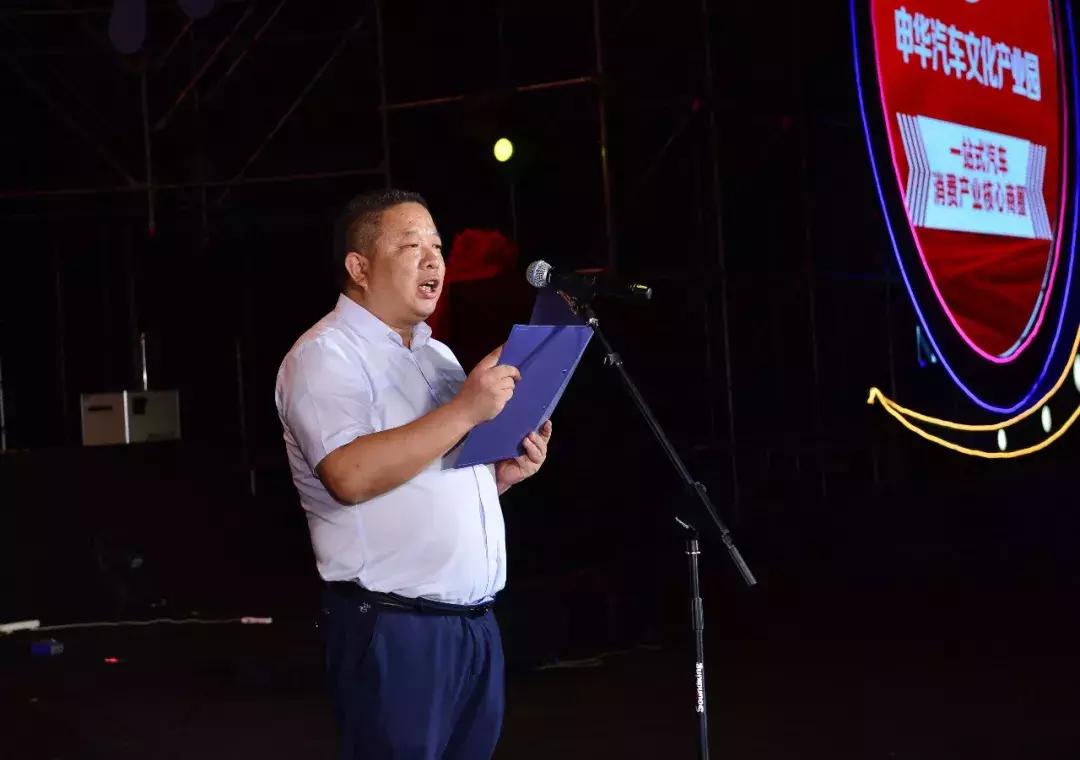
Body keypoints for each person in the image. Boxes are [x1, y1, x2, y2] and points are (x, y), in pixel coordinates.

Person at [274, 189, 552, 760]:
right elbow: (349, 475)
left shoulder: (437, 356)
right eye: (410, 246)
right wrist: (467, 410)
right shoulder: (325, 354)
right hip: (397, 628)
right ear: (359, 267)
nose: (433, 261)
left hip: (473, 628)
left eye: (438, 247)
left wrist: (497, 478)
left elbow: (427, 470)